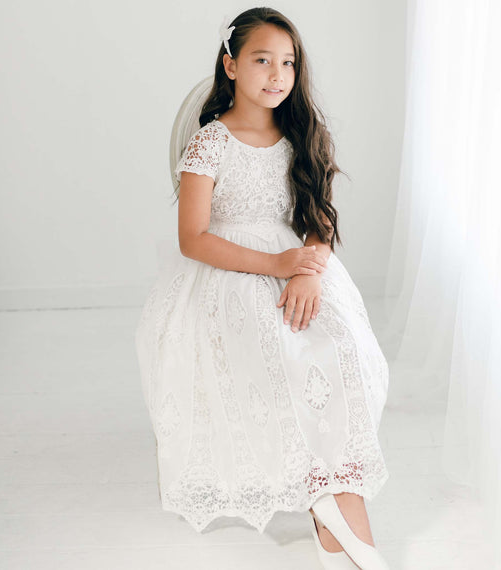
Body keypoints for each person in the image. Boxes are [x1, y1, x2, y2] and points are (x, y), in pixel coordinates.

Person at [135, 7, 392, 570]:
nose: (277, 74)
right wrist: (276, 264)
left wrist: (305, 270)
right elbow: (194, 239)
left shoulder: (303, 135)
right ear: (230, 66)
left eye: (288, 63)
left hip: (294, 265)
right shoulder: (210, 143)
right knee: (280, 353)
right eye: (261, 60)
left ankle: (334, 494)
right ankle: (338, 512)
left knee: (343, 348)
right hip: (229, 270)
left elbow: (320, 223)